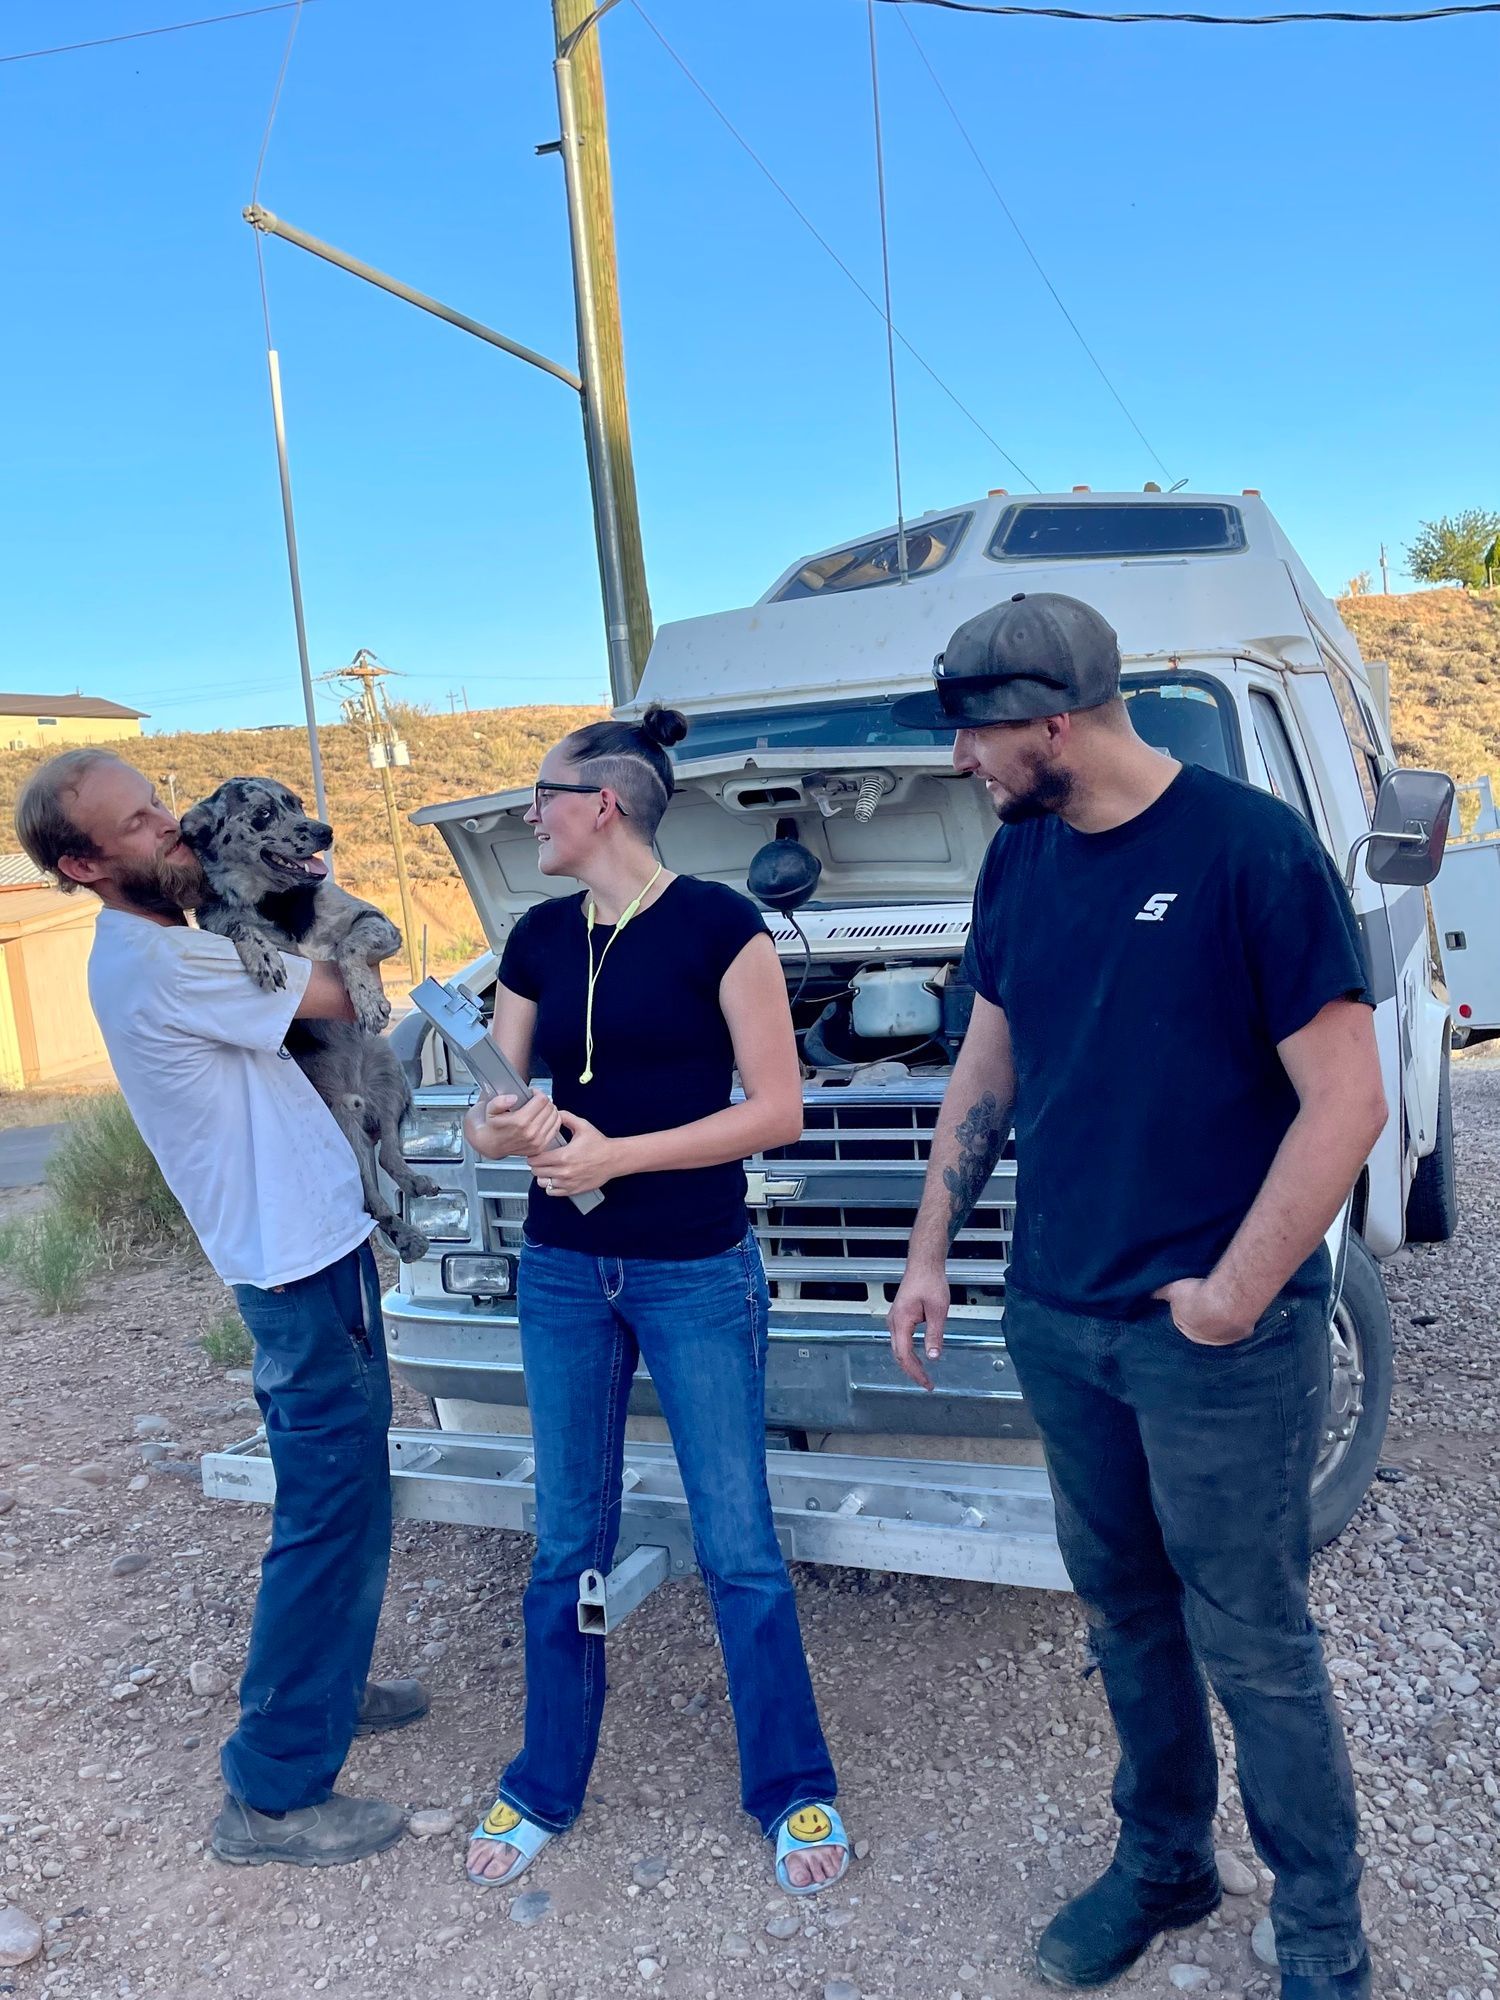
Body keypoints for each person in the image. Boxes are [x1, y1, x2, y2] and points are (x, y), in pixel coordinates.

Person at [887, 595, 1383, 2000]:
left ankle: (1325, 1920)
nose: (963, 764)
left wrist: (1233, 1295)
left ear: (1054, 719)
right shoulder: (1023, 859)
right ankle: (1165, 1864)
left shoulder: (1247, 851)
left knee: (1255, 1636)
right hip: (1060, 1318)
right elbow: (988, 1068)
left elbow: (1346, 1102)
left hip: (1211, 1346)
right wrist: (932, 1250)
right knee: (1124, 1615)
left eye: (974, 734)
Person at [14, 750, 427, 1868]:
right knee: (328, 1510)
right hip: (295, 1264)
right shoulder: (159, 961)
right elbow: (341, 990)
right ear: (83, 862)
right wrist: (312, 903)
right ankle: (274, 1791)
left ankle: (328, 1691)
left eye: (164, 806)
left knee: (346, 1487)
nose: (176, 830)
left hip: (315, 1244)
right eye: (143, 824)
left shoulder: (177, 942)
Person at [461, 705, 848, 1896]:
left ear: (603, 802)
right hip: (563, 1274)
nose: (530, 812)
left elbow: (776, 1110)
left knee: (739, 1544)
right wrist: (508, 1125)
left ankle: (794, 1787)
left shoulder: (722, 928)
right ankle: (543, 1780)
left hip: (692, 1266)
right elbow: (493, 1103)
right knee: (562, 1539)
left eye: (542, 793)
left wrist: (614, 1155)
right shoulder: (534, 936)